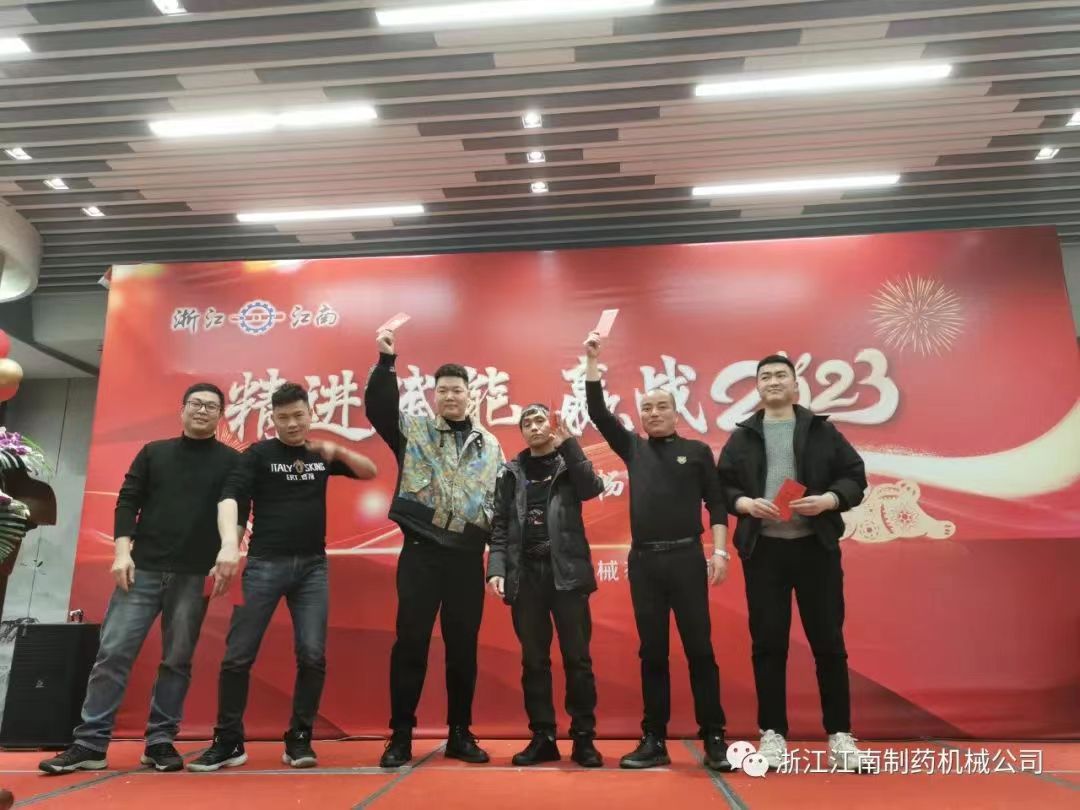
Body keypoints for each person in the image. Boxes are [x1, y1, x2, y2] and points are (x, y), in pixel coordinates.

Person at [40, 384, 247, 775]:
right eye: (196, 403)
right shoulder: (154, 452)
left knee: (177, 660)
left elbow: (237, 510)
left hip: (193, 574)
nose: (202, 410)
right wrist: (122, 553)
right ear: (182, 409)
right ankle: (90, 743)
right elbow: (127, 501)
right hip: (142, 568)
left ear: (221, 415)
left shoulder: (232, 461)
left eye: (211, 406)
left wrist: (228, 552)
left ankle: (160, 741)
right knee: (113, 653)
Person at [187, 382, 376, 772]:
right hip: (263, 566)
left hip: (313, 568)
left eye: (298, 416)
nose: (292, 423)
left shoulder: (319, 453)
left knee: (312, 655)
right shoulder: (258, 455)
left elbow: (369, 471)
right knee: (238, 656)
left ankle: (300, 738)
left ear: (310, 414)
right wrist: (228, 545)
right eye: (284, 417)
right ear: (273, 418)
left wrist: (338, 451)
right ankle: (228, 741)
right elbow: (230, 498)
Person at [716, 354, 873, 773]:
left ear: (795, 386)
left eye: (780, 375)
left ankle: (840, 736)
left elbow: (855, 476)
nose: (772, 381)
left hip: (815, 550)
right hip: (764, 553)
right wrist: (744, 504)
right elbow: (722, 485)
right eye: (765, 376)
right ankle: (772, 734)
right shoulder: (744, 436)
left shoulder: (821, 431)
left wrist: (830, 500)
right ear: (757, 387)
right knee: (768, 644)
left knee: (829, 643)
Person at [583, 331, 732, 771]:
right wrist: (592, 361)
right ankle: (654, 739)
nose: (653, 413)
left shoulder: (697, 452)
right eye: (646, 408)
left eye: (661, 406)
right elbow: (597, 412)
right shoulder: (633, 448)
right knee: (652, 652)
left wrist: (719, 554)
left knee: (700, 649)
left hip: (687, 559)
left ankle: (714, 737)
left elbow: (717, 503)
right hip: (645, 562)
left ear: (675, 411)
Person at [365, 330, 504, 768]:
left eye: (457, 390)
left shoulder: (491, 444)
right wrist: (386, 362)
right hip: (421, 553)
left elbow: (500, 506)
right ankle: (400, 736)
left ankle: (460, 733)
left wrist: (500, 560)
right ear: (434, 395)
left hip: (466, 558)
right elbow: (378, 409)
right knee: (411, 643)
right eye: (442, 390)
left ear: (470, 394)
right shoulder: (415, 430)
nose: (450, 396)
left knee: (463, 647)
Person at [487, 404, 604, 768]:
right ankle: (543, 738)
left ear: (551, 427)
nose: (535, 427)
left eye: (540, 420)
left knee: (577, 659)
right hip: (526, 576)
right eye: (528, 422)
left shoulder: (568, 466)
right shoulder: (511, 472)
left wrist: (570, 444)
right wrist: (496, 568)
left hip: (566, 573)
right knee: (534, 661)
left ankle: (583, 739)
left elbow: (592, 488)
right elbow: (500, 526)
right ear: (521, 431)